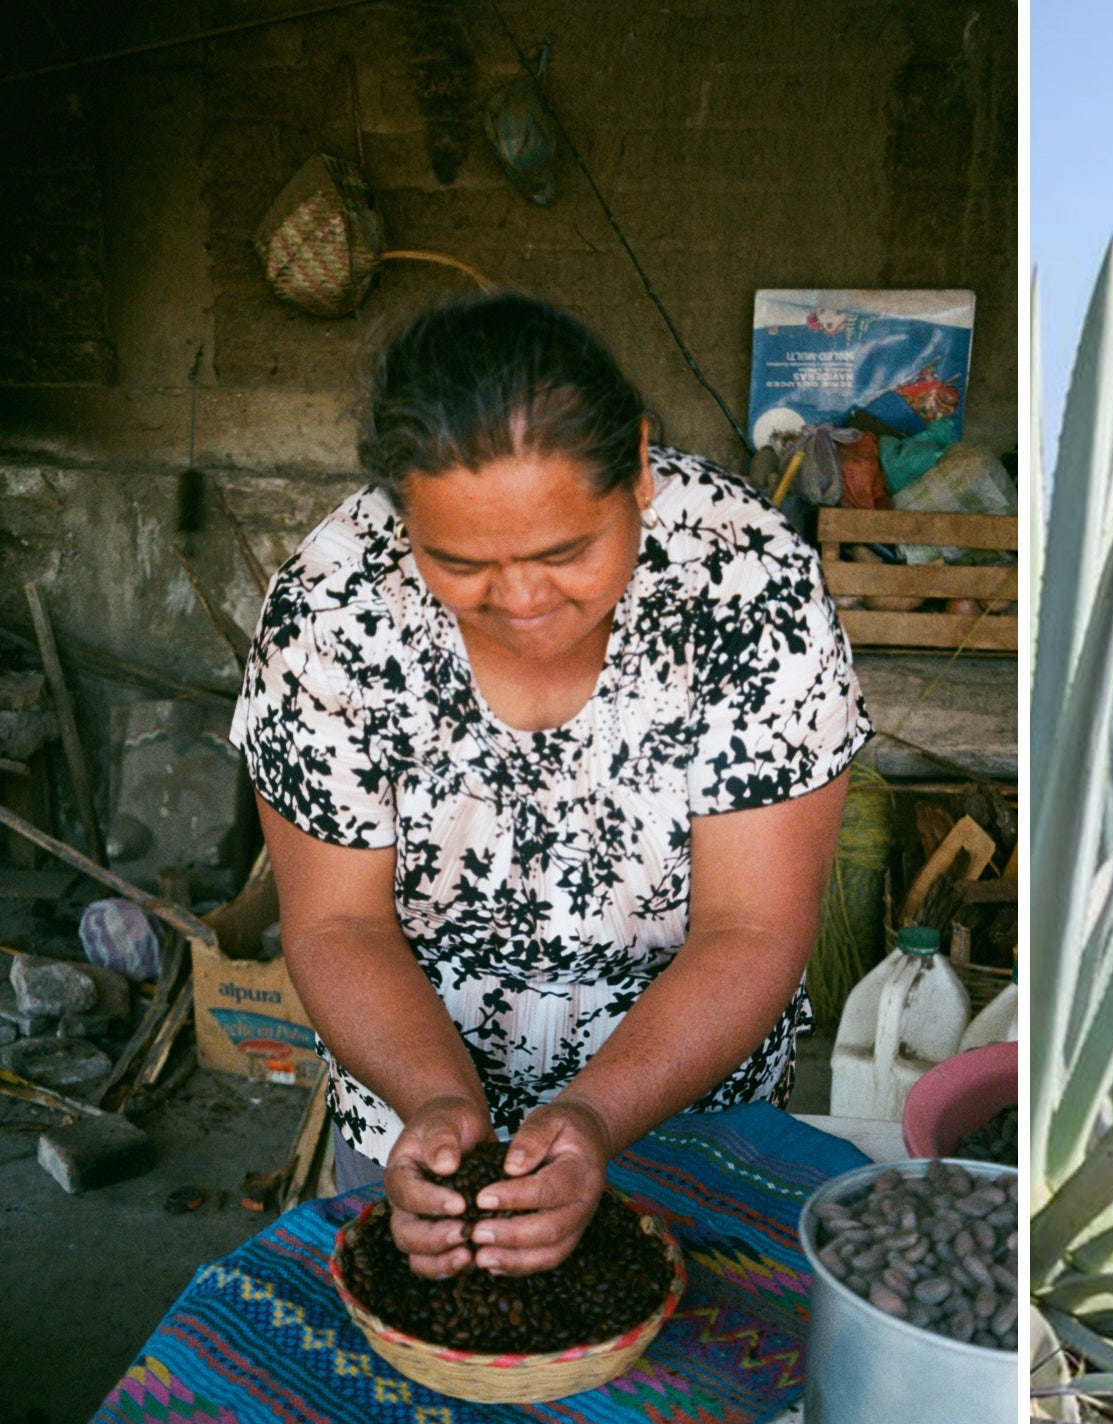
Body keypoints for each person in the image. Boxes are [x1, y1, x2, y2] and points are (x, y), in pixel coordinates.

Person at [232, 292, 871, 1276]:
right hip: (412, 1122)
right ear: (404, 514)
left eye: (566, 551)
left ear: (641, 468)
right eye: (460, 562)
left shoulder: (746, 583)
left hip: (692, 1121)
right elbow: (334, 925)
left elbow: (750, 931)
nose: (523, 602)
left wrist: (590, 1119)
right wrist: (441, 1107)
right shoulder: (335, 602)